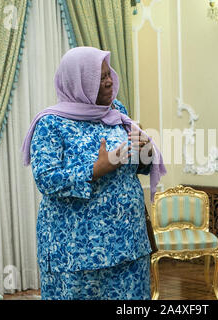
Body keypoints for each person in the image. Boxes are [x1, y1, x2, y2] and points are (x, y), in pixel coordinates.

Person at [21, 46, 166, 300]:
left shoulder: (116, 111)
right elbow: (46, 179)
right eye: (100, 78)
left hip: (129, 245)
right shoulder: (51, 123)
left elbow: (136, 165)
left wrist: (146, 151)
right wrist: (95, 170)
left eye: (108, 73)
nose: (110, 81)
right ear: (79, 82)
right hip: (77, 254)